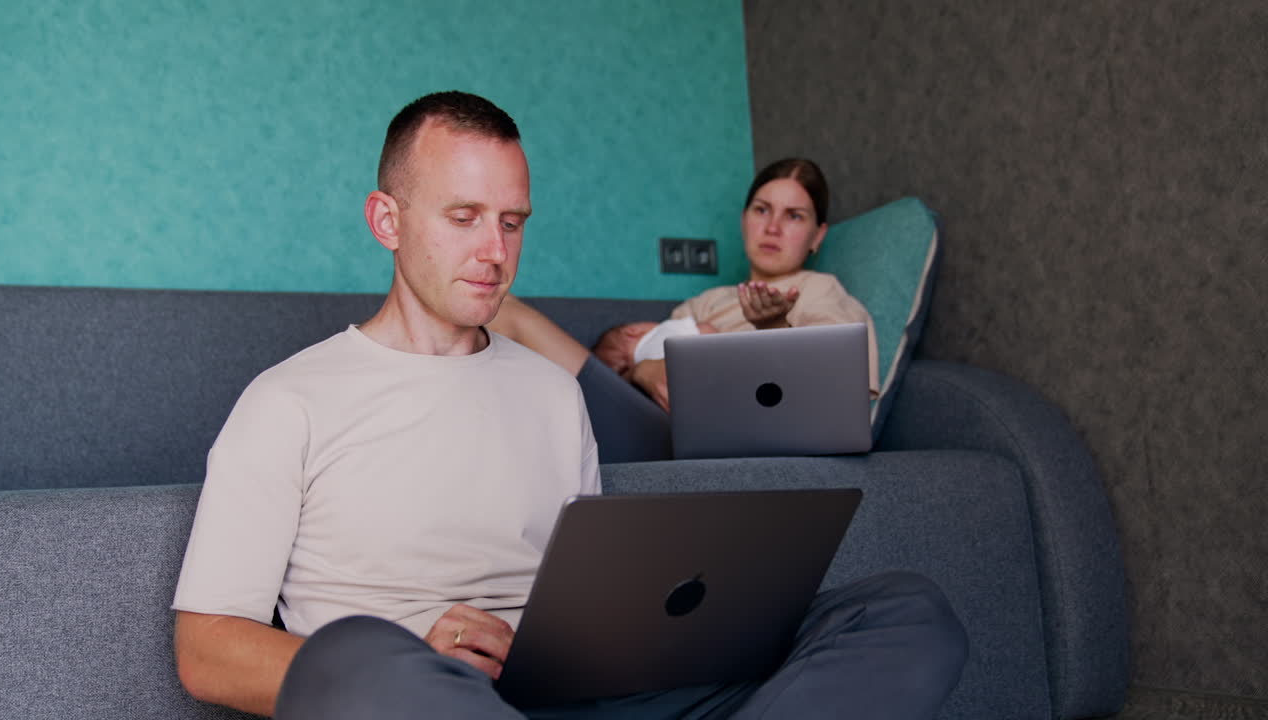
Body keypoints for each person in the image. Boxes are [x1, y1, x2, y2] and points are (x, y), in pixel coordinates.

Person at [171, 91, 967, 720]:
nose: (494, 252)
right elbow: (205, 650)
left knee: (903, 611)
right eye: (463, 218)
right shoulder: (288, 400)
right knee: (355, 658)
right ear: (388, 220)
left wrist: (650, 633)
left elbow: (587, 588)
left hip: (593, 691)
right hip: (420, 695)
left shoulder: (553, 395)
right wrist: (416, 647)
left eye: (512, 223)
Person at [489, 158, 879, 463]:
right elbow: (649, 358)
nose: (773, 227)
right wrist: (644, 369)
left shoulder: (822, 292)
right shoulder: (708, 301)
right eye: (762, 210)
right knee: (503, 314)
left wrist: (773, 326)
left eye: (794, 216)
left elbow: (838, 404)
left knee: (507, 312)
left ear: (818, 235)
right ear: (744, 219)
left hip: (697, 437)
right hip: (647, 413)